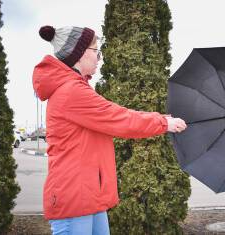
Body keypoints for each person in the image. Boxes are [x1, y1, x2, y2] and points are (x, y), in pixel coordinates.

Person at [33, 25, 187, 235]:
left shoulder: (77, 88)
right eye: (96, 51)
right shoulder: (71, 92)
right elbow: (119, 118)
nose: (99, 58)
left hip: (89, 194)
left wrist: (162, 120)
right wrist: (163, 123)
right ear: (78, 54)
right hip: (74, 196)